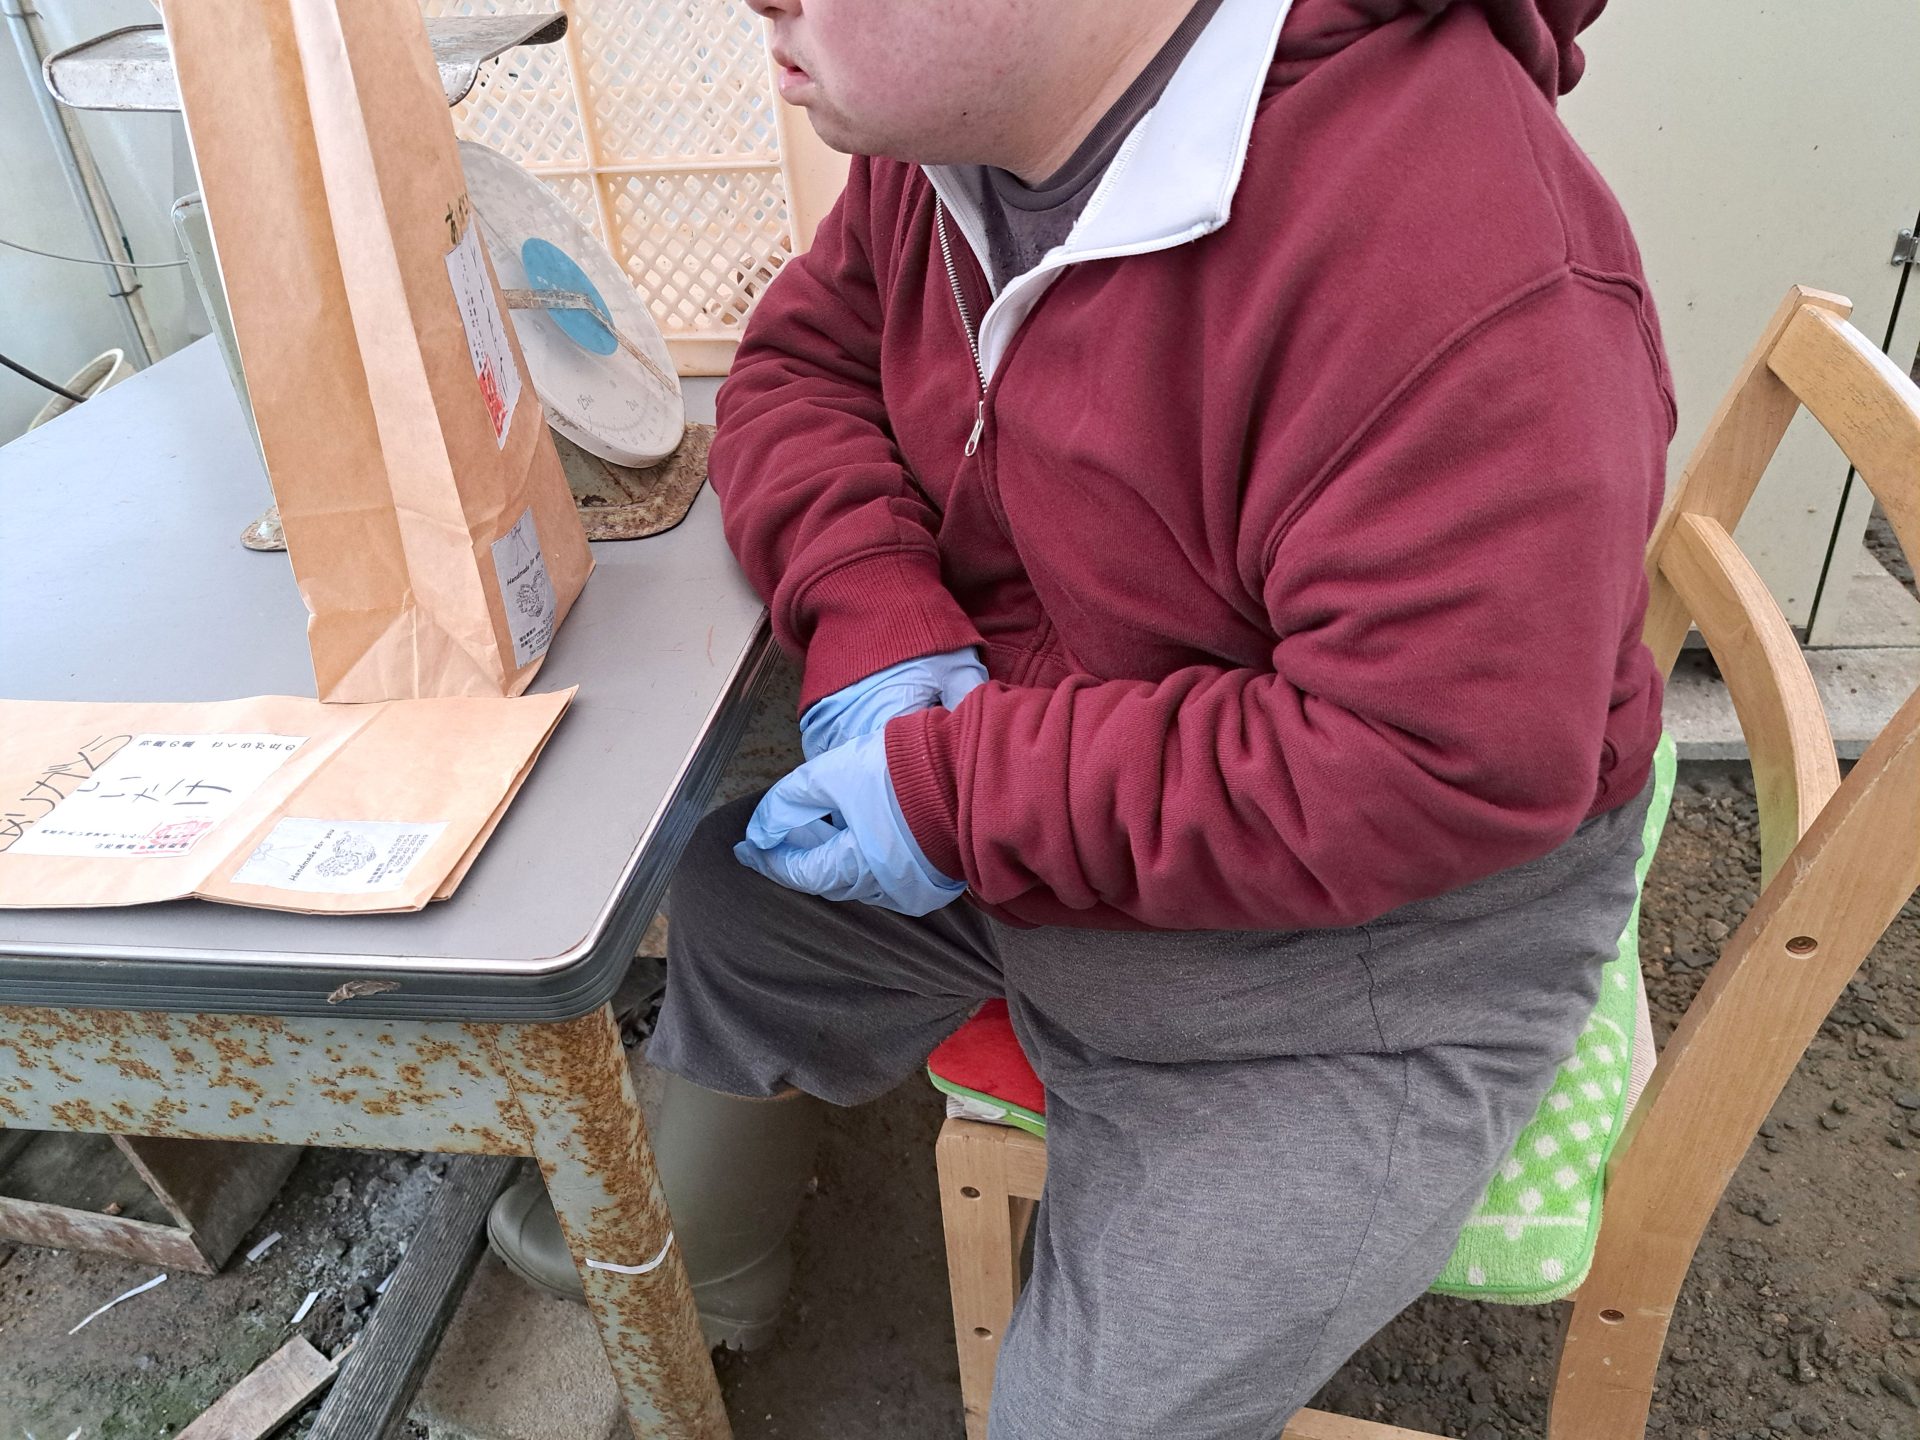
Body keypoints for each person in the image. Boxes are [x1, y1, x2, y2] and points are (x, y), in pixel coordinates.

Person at [488, 0, 1674, 1433]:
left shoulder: (1470, 268)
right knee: (734, 900)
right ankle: (715, 1260)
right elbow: (800, 368)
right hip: (1063, 786)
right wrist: (878, 617)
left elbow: (1432, 762)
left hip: (1357, 962)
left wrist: (960, 792)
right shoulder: (960, 134)